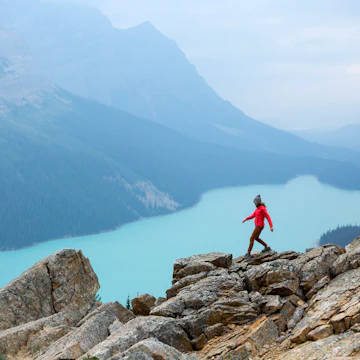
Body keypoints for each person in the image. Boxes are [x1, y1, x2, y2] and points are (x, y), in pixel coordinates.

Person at [242, 194, 273, 259]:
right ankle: (266, 247)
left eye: (255, 203)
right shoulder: (257, 209)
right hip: (257, 225)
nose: (254, 204)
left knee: (251, 238)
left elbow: (268, 217)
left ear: (257, 203)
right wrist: (246, 219)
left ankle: (248, 253)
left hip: (259, 226)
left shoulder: (262, 209)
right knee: (256, 238)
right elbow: (253, 215)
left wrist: (271, 226)